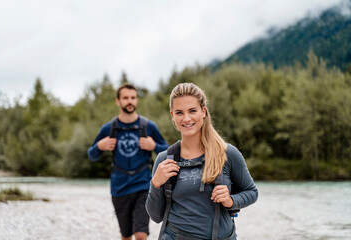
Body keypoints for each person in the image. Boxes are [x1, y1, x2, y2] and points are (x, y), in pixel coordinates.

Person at [145, 83, 258, 240]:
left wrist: (230, 200)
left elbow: (252, 192)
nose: (186, 118)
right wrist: (155, 184)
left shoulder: (228, 154)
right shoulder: (164, 159)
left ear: (203, 111)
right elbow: (156, 217)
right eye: (179, 113)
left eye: (192, 111)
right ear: (172, 115)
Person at [88, 83, 169, 240]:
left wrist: (154, 146)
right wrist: (99, 146)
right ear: (118, 101)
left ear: (137, 100)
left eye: (133, 97)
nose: (130, 101)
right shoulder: (109, 128)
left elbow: (167, 151)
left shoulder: (148, 126)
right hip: (119, 187)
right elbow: (92, 155)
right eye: (126, 98)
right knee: (126, 235)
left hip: (143, 185)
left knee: (140, 234)